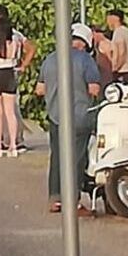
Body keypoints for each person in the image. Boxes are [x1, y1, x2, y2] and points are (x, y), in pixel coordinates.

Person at [37, 23, 103, 212]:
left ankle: (55, 197)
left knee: (57, 156)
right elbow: (94, 88)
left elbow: (40, 89)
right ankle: (72, 199)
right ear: (85, 43)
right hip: (79, 116)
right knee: (76, 158)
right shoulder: (86, 60)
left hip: (56, 116)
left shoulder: (50, 59)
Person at [0, 5, 37, 151]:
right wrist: (23, 65)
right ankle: (14, 143)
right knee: (11, 111)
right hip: (10, 71)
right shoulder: (15, 38)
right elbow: (31, 48)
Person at [106, 9, 128, 84]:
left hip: (121, 72)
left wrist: (115, 68)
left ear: (115, 18)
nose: (107, 22)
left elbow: (122, 52)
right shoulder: (127, 31)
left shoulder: (118, 32)